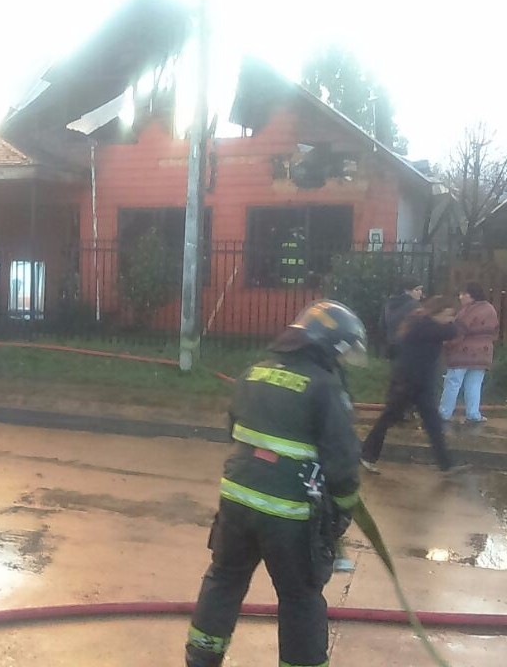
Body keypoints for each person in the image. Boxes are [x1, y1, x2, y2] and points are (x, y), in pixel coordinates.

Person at [185, 300, 364, 667]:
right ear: (330, 345)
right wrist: (342, 512)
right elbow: (342, 464)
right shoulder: (325, 387)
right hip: (289, 514)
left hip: (235, 500)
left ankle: (201, 657)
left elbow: (235, 428)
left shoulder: (254, 372)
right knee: (300, 597)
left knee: (224, 578)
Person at [361, 296, 466, 475]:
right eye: (448, 314)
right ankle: (366, 455)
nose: (450, 319)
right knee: (388, 418)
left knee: (433, 422)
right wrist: (454, 322)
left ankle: (446, 465)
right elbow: (453, 331)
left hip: (421, 383)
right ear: (437, 312)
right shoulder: (425, 326)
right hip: (406, 382)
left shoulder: (424, 323)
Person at [439, 282, 499, 426]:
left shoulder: (468, 311)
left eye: (463, 294)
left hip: (463, 353)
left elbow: (458, 333)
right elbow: (495, 333)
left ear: (471, 295)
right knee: (474, 384)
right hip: (483, 353)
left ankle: (444, 413)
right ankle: (473, 414)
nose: (460, 297)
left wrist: (445, 344)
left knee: (453, 382)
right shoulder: (490, 308)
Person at [378, 277, 424, 360]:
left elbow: (382, 326)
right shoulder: (415, 306)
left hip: (391, 348)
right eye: (417, 290)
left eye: (421, 289)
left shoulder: (388, 304)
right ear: (407, 291)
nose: (420, 293)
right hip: (410, 349)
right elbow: (421, 328)